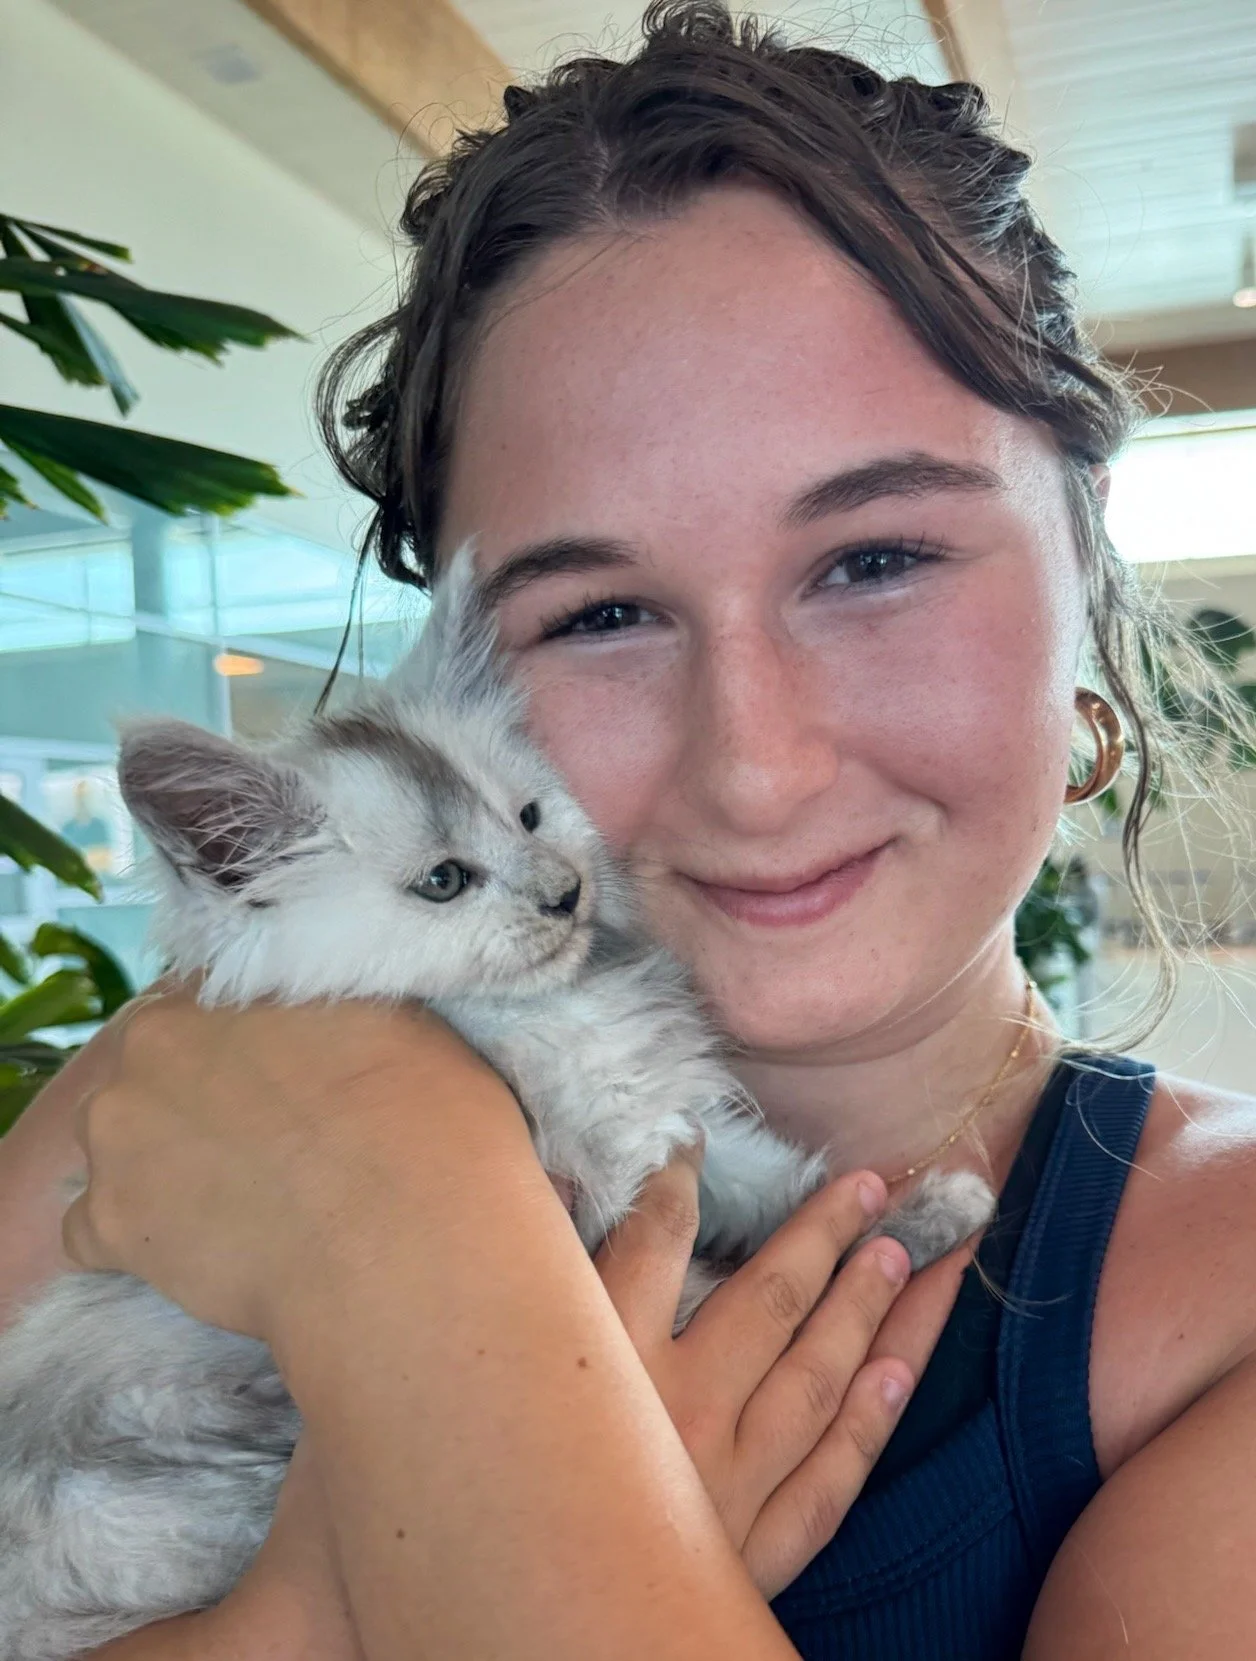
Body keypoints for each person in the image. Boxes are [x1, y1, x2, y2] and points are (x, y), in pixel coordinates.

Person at [3, 4, 1255, 1655]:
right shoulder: (188, 1084)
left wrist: (404, 1267)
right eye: (599, 615)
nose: (755, 766)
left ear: (1090, 578)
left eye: (875, 560)